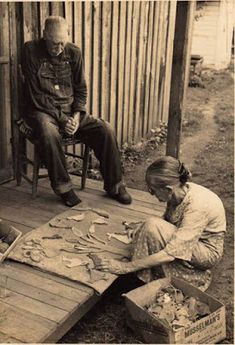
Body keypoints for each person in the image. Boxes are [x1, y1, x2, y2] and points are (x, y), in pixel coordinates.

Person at [21, 16, 132, 207]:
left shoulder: (74, 52)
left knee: (105, 129)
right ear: (44, 35)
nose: (59, 48)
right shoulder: (30, 50)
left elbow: (81, 90)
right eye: (55, 44)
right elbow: (36, 96)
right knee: (48, 132)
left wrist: (76, 115)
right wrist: (64, 120)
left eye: (63, 42)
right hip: (41, 111)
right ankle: (64, 187)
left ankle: (115, 185)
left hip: (70, 113)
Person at [94, 156, 226, 291]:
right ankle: (142, 275)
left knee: (152, 226)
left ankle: (190, 278)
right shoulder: (177, 191)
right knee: (149, 226)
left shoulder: (197, 206)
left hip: (207, 252)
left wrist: (125, 267)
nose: (152, 194)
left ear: (168, 190)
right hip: (192, 238)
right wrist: (143, 227)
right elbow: (167, 219)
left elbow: (170, 253)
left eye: (152, 190)